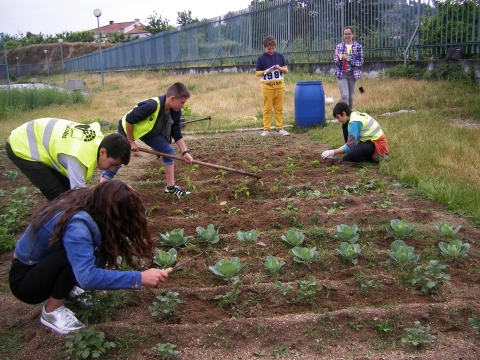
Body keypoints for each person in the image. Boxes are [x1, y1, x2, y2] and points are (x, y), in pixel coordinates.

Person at [9, 181, 170, 334]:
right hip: (26, 283)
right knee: (76, 258)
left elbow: (132, 211)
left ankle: (68, 290)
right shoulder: (77, 225)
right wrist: (139, 278)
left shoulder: (93, 201)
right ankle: (51, 311)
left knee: (88, 250)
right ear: (111, 211)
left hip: (44, 267)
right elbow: (88, 277)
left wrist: (131, 195)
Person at [101, 82, 193, 197]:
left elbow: (176, 133)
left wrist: (185, 153)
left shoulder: (175, 111)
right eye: (182, 102)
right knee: (119, 156)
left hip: (149, 131)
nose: (183, 106)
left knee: (168, 150)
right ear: (173, 98)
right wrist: (130, 141)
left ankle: (170, 188)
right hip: (127, 128)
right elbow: (129, 120)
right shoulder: (151, 105)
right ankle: (102, 187)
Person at [6, 118, 131, 201]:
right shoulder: (79, 158)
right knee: (58, 196)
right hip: (21, 144)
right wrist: (112, 192)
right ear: (103, 152)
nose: (112, 169)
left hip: (37, 138)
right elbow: (80, 197)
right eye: (113, 164)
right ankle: (58, 232)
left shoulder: (99, 141)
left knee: (66, 189)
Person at [321, 102, 389, 163]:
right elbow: (350, 144)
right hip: (368, 141)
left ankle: (379, 156)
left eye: (338, 117)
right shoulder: (352, 115)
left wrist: (333, 152)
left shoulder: (354, 123)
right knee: (345, 126)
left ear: (344, 114)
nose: (338, 120)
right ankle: (361, 153)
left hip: (377, 144)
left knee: (352, 155)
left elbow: (349, 146)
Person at [255, 35, 290, 137]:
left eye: (273, 48)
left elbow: (286, 70)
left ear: (275, 47)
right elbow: (257, 73)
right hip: (267, 88)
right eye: (268, 49)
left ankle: (280, 128)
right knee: (267, 108)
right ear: (264, 47)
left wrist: (279, 68)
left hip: (280, 87)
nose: (271, 50)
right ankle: (266, 129)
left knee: (279, 108)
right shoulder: (261, 58)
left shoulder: (280, 56)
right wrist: (265, 71)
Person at [334, 26, 364, 141]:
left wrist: (349, 60)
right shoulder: (339, 46)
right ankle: (344, 118)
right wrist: (341, 59)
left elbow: (360, 62)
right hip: (342, 74)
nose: (347, 36)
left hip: (353, 75)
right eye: (345, 34)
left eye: (349, 34)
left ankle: (349, 117)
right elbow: (336, 61)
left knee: (351, 97)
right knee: (345, 96)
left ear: (353, 35)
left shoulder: (358, 47)